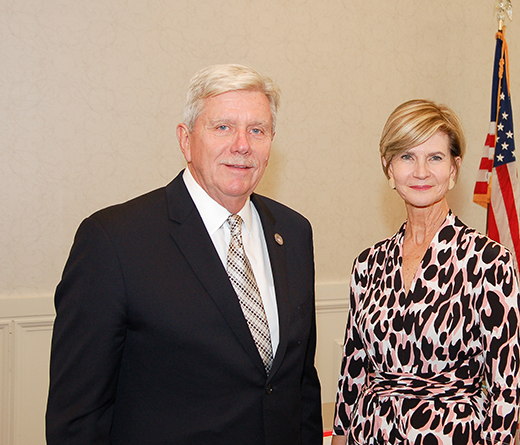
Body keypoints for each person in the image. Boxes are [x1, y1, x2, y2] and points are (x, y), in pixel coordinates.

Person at [46, 64, 323, 445]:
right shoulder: (114, 241)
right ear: (186, 139)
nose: (242, 144)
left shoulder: (292, 233)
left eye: (257, 130)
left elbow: (300, 386)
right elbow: (77, 416)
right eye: (222, 127)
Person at [332, 100, 520, 445]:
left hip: (453, 435)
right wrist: (340, 436)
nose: (421, 171)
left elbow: (505, 384)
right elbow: (354, 366)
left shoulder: (489, 261)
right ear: (389, 169)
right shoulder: (368, 263)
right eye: (407, 156)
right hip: (371, 433)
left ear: (454, 169)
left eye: (435, 157)